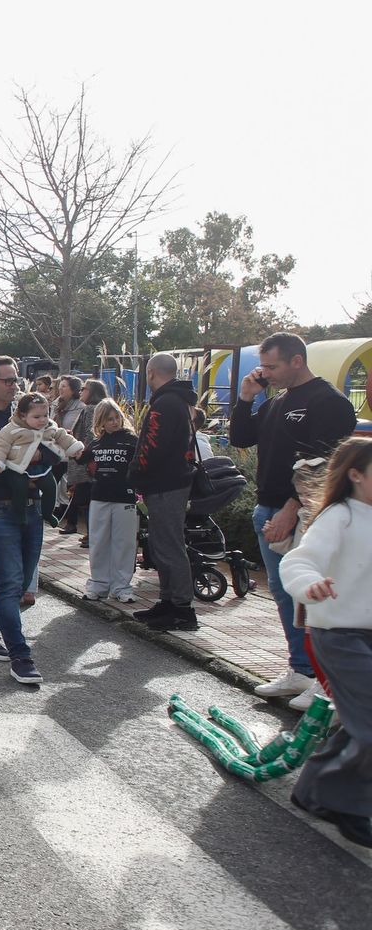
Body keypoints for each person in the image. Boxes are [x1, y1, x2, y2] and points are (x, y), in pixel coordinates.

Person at [230, 331, 359, 706]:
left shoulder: (328, 402)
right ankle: (301, 670)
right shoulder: (275, 402)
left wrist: (291, 509)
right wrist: (246, 399)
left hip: (305, 511)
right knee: (284, 594)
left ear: (296, 361)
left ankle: (326, 679)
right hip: (266, 506)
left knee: (313, 597)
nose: (264, 373)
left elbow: (321, 466)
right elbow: (241, 439)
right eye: (263, 366)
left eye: (271, 366)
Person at [281, 437, 372, 848]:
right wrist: (309, 584)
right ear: (356, 475)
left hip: (366, 633)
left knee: (360, 717)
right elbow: (298, 560)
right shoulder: (340, 516)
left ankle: (311, 789)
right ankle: (348, 805)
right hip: (338, 633)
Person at [0, 356, 63, 684]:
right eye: (7, 380)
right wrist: (19, 472)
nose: (15, 385)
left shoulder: (31, 412)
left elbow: (53, 450)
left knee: (19, 584)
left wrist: (41, 463)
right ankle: (21, 654)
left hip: (32, 506)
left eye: (16, 379)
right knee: (9, 584)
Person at [127, 352, 199, 633]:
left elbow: (151, 446)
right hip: (171, 481)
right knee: (163, 544)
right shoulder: (178, 401)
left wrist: (135, 473)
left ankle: (182, 608)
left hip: (166, 484)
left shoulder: (165, 403)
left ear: (152, 373)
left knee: (169, 546)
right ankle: (169, 601)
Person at [81, 398, 139, 603]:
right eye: (109, 419)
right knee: (98, 542)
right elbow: (80, 458)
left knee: (124, 543)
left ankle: (122, 586)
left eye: (117, 418)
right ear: (100, 422)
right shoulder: (96, 444)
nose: (114, 422)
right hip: (99, 497)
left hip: (125, 497)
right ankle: (98, 584)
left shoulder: (133, 441)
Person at [0, 393, 85, 511]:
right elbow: (0, 446)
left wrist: (74, 447)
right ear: (23, 416)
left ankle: (48, 513)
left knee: (51, 487)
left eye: (46, 415)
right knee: (20, 488)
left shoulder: (50, 427)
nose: (43, 420)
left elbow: (63, 436)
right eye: (37, 417)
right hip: (18, 467)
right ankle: (19, 514)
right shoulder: (12, 429)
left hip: (41, 468)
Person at [52, 376, 91, 537]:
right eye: (59, 386)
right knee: (51, 481)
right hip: (56, 451)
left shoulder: (81, 407)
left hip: (73, 452)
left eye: (64, 387)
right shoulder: (56, 404)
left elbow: (80, 430)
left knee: (74, 488)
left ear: (73, 389)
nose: (61, 390)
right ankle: (54, 514)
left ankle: (71, 521)